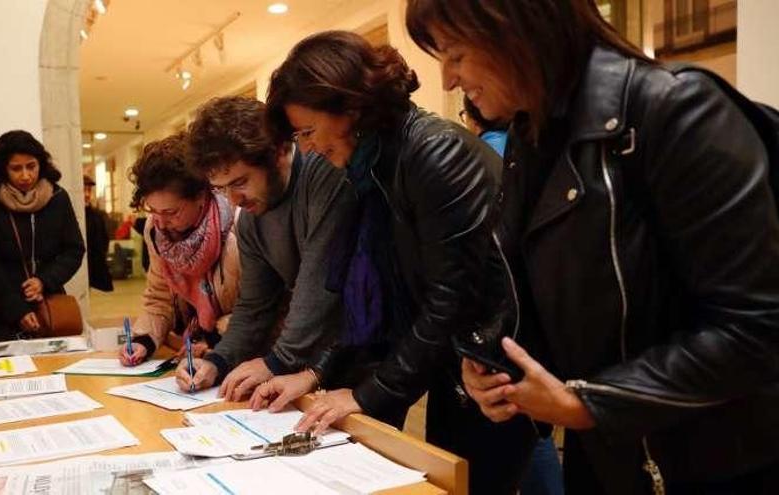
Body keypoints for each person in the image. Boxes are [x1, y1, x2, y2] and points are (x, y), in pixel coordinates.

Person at [405, 0, 779, 493]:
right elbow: (544, 294)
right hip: (609, 457)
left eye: (454, 53)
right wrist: (492, 363)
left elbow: (758, 326)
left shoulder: (678, 109)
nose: (449, 80)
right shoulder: (529, 135)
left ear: (518, 29)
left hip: (718, 462)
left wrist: (590, 402)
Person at [256, 31, 531, 494]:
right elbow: (376, 298)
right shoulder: (373, 165)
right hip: (455, 366)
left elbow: (450, 300)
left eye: (307, 132)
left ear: (349, 106)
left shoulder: (431, 152)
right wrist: (318, 372)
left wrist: (366, 395)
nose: (306, 148)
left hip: (489, 370)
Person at [175, 96, 356, 403]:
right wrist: (217, 361)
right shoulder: (251, 221)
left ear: (279, 153)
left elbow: (320, 283)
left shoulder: (324, 173)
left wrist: (276, 361)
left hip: (363, 351)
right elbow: (254, 305)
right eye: (222, 189)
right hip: (312, 364)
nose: (233, 200)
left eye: (241, 181)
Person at [464, 94, 565, 495]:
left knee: (522, 412)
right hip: (533, 311)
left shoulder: (491, 150)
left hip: (512, 313)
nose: (450, 78)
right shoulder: (523, 146)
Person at [118, 133, 240, 365]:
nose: (160, 222)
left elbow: (261, 310)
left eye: (171, 212)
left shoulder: (238, 229)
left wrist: (215, 343)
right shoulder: (156, 232)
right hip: (189, 354)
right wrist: (143, 340)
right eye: (152, 210)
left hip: (237, 354)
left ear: (201, 197)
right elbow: (159, 298)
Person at [0, 130, 85, 343]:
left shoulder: (57, 198)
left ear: (41, 164)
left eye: (31, 166)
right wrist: (16, 309)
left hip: (49, 305)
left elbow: (74, 249)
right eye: (16, 168)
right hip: (0, 308)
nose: (25, 175)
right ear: (3, 169)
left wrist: (44, 281)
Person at [84, 175, 113, 292]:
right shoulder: (72, 214)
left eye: (89, 190)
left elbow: (104, 238)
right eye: (83, 190)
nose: (86, 194)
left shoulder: (97, 215)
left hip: (95, 265)